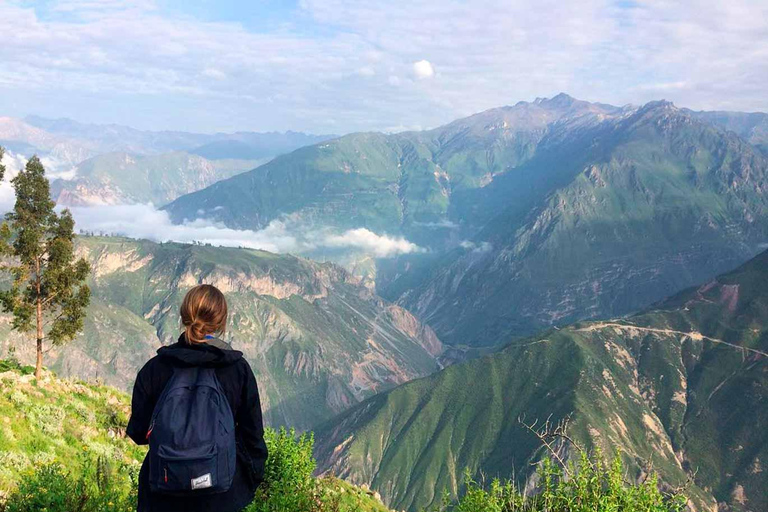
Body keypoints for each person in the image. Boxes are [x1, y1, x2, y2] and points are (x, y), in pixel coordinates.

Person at [127, 284, 268, 512]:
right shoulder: (237, 370)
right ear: (221, 323)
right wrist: (247, 480)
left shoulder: (154, 369)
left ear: (184, 317)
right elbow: (253, 437)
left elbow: (138, 433)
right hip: (221, 495)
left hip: (162, 494)